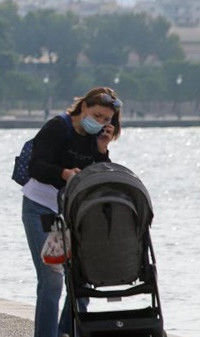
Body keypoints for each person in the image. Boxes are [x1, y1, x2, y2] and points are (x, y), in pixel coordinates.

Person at [21, 86, 122, 337]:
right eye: (97, 115)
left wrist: (102, 148)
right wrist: (63, 173)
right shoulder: (58, 126)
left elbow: (97, 176)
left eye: (106, 120)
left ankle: (68, 331)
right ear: (84, 107)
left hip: (73, 211)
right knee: (51, 280)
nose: (99, 122)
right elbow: (36, 166)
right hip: (40, 207)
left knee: (80, 279)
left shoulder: (96, 137)